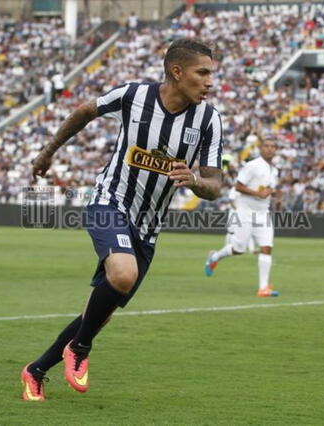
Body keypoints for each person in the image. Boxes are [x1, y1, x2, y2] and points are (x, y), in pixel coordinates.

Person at [21, 38, 222, 401]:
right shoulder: (134, 96)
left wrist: (194, 180)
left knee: (99, 313)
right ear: (177, 72)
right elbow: (84, 112)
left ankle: (36, 370)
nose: (210, 82)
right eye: (203, 73)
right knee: (123, 275)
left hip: (149, 226)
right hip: (109, 202)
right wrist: (47, 152)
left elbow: (215, 185)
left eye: (212, 74)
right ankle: (79, 350)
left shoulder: (208, 120)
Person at [204, 138, 279, 297]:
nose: (270, 149)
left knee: (267, 247)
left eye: (273, 146)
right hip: (245, 211)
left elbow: (269, 189)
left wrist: (270, 192)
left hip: (263, 213)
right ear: (260, 148)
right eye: (266, 146)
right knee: (238, 249)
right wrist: (258, 193)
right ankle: (214, 257)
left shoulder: (274, 170)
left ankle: (263, 288)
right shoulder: (252, 165)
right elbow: (238, 186)